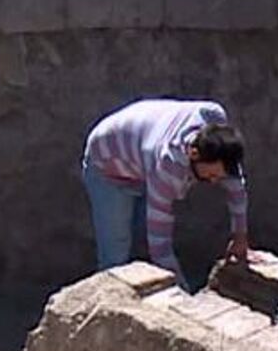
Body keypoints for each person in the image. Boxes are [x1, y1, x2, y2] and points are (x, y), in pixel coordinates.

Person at [82, 98, 249, 288]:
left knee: (140, 244)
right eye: (211, 175)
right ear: (193, 154)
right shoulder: (167, 168)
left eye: (219, 176)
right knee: (116, 257)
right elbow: (160, 246)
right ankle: (108, 304)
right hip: (108, 163)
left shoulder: (214, 121)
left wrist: (240, 237)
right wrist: (184, 298)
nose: (214, 181)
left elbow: (235, 185)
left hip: (140, 152)